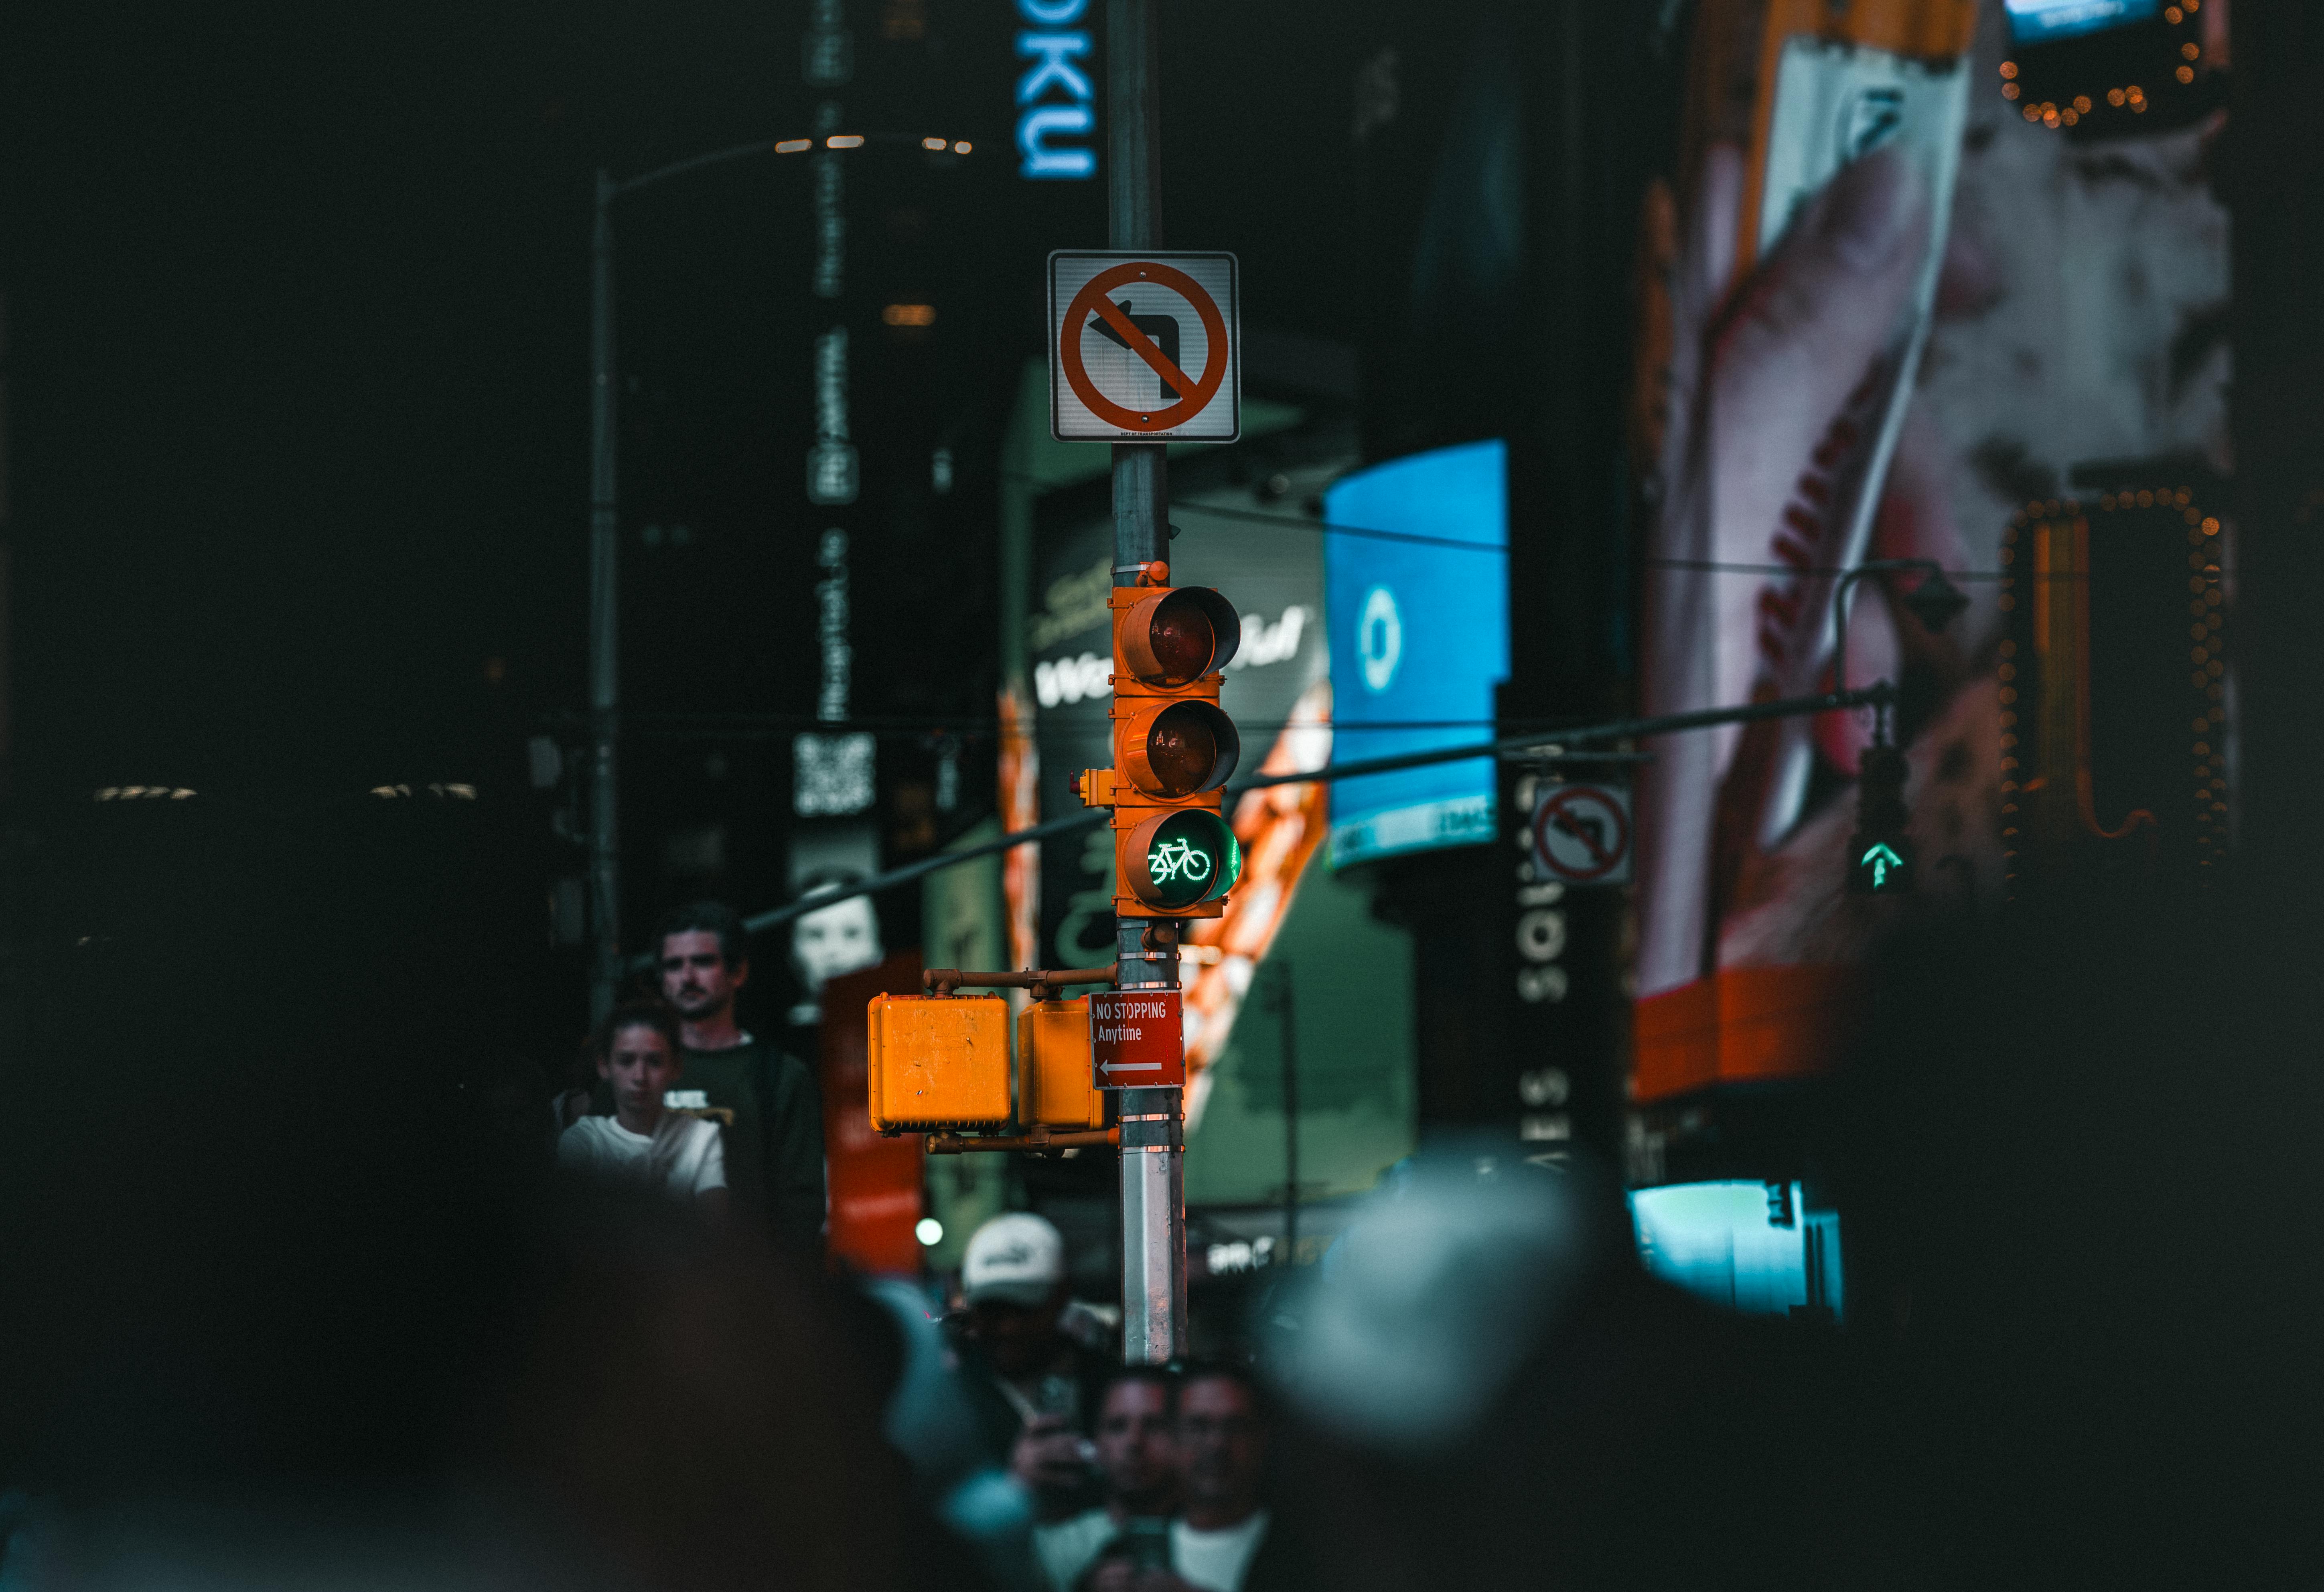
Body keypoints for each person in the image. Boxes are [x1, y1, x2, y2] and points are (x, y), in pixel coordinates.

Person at [643, 900, 825, 1248]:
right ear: (662, 979)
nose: (687, 977)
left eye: (703, 961)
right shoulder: (631, 1071)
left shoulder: (779, 1076)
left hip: (746, 1276)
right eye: (674, 965)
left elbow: (803, 1207)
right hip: (643, 1275)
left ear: (738, 972)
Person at [949, 1214, 1113, 1519]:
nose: (1008, 1327)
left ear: (1061, 1296)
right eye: (992, 1310)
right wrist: (1013, 1488)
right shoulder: (950, 1393)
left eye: (1024, 1308)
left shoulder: (1106, 1386)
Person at [557, 999, 728, 1213]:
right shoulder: (584, 1141)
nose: (640, 1077)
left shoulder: (700, 1137)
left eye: (655, 1062)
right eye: (626, 1061)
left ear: (676, 1067)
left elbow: (716, 1226)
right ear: (604, 1066)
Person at [1032, 1369, 1181, 1592]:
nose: (1134, 1442)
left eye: (1153, 1426)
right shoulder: (1052, 1551)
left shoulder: (1210, 1537)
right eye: (1118, 1427)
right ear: (1096, 1443)